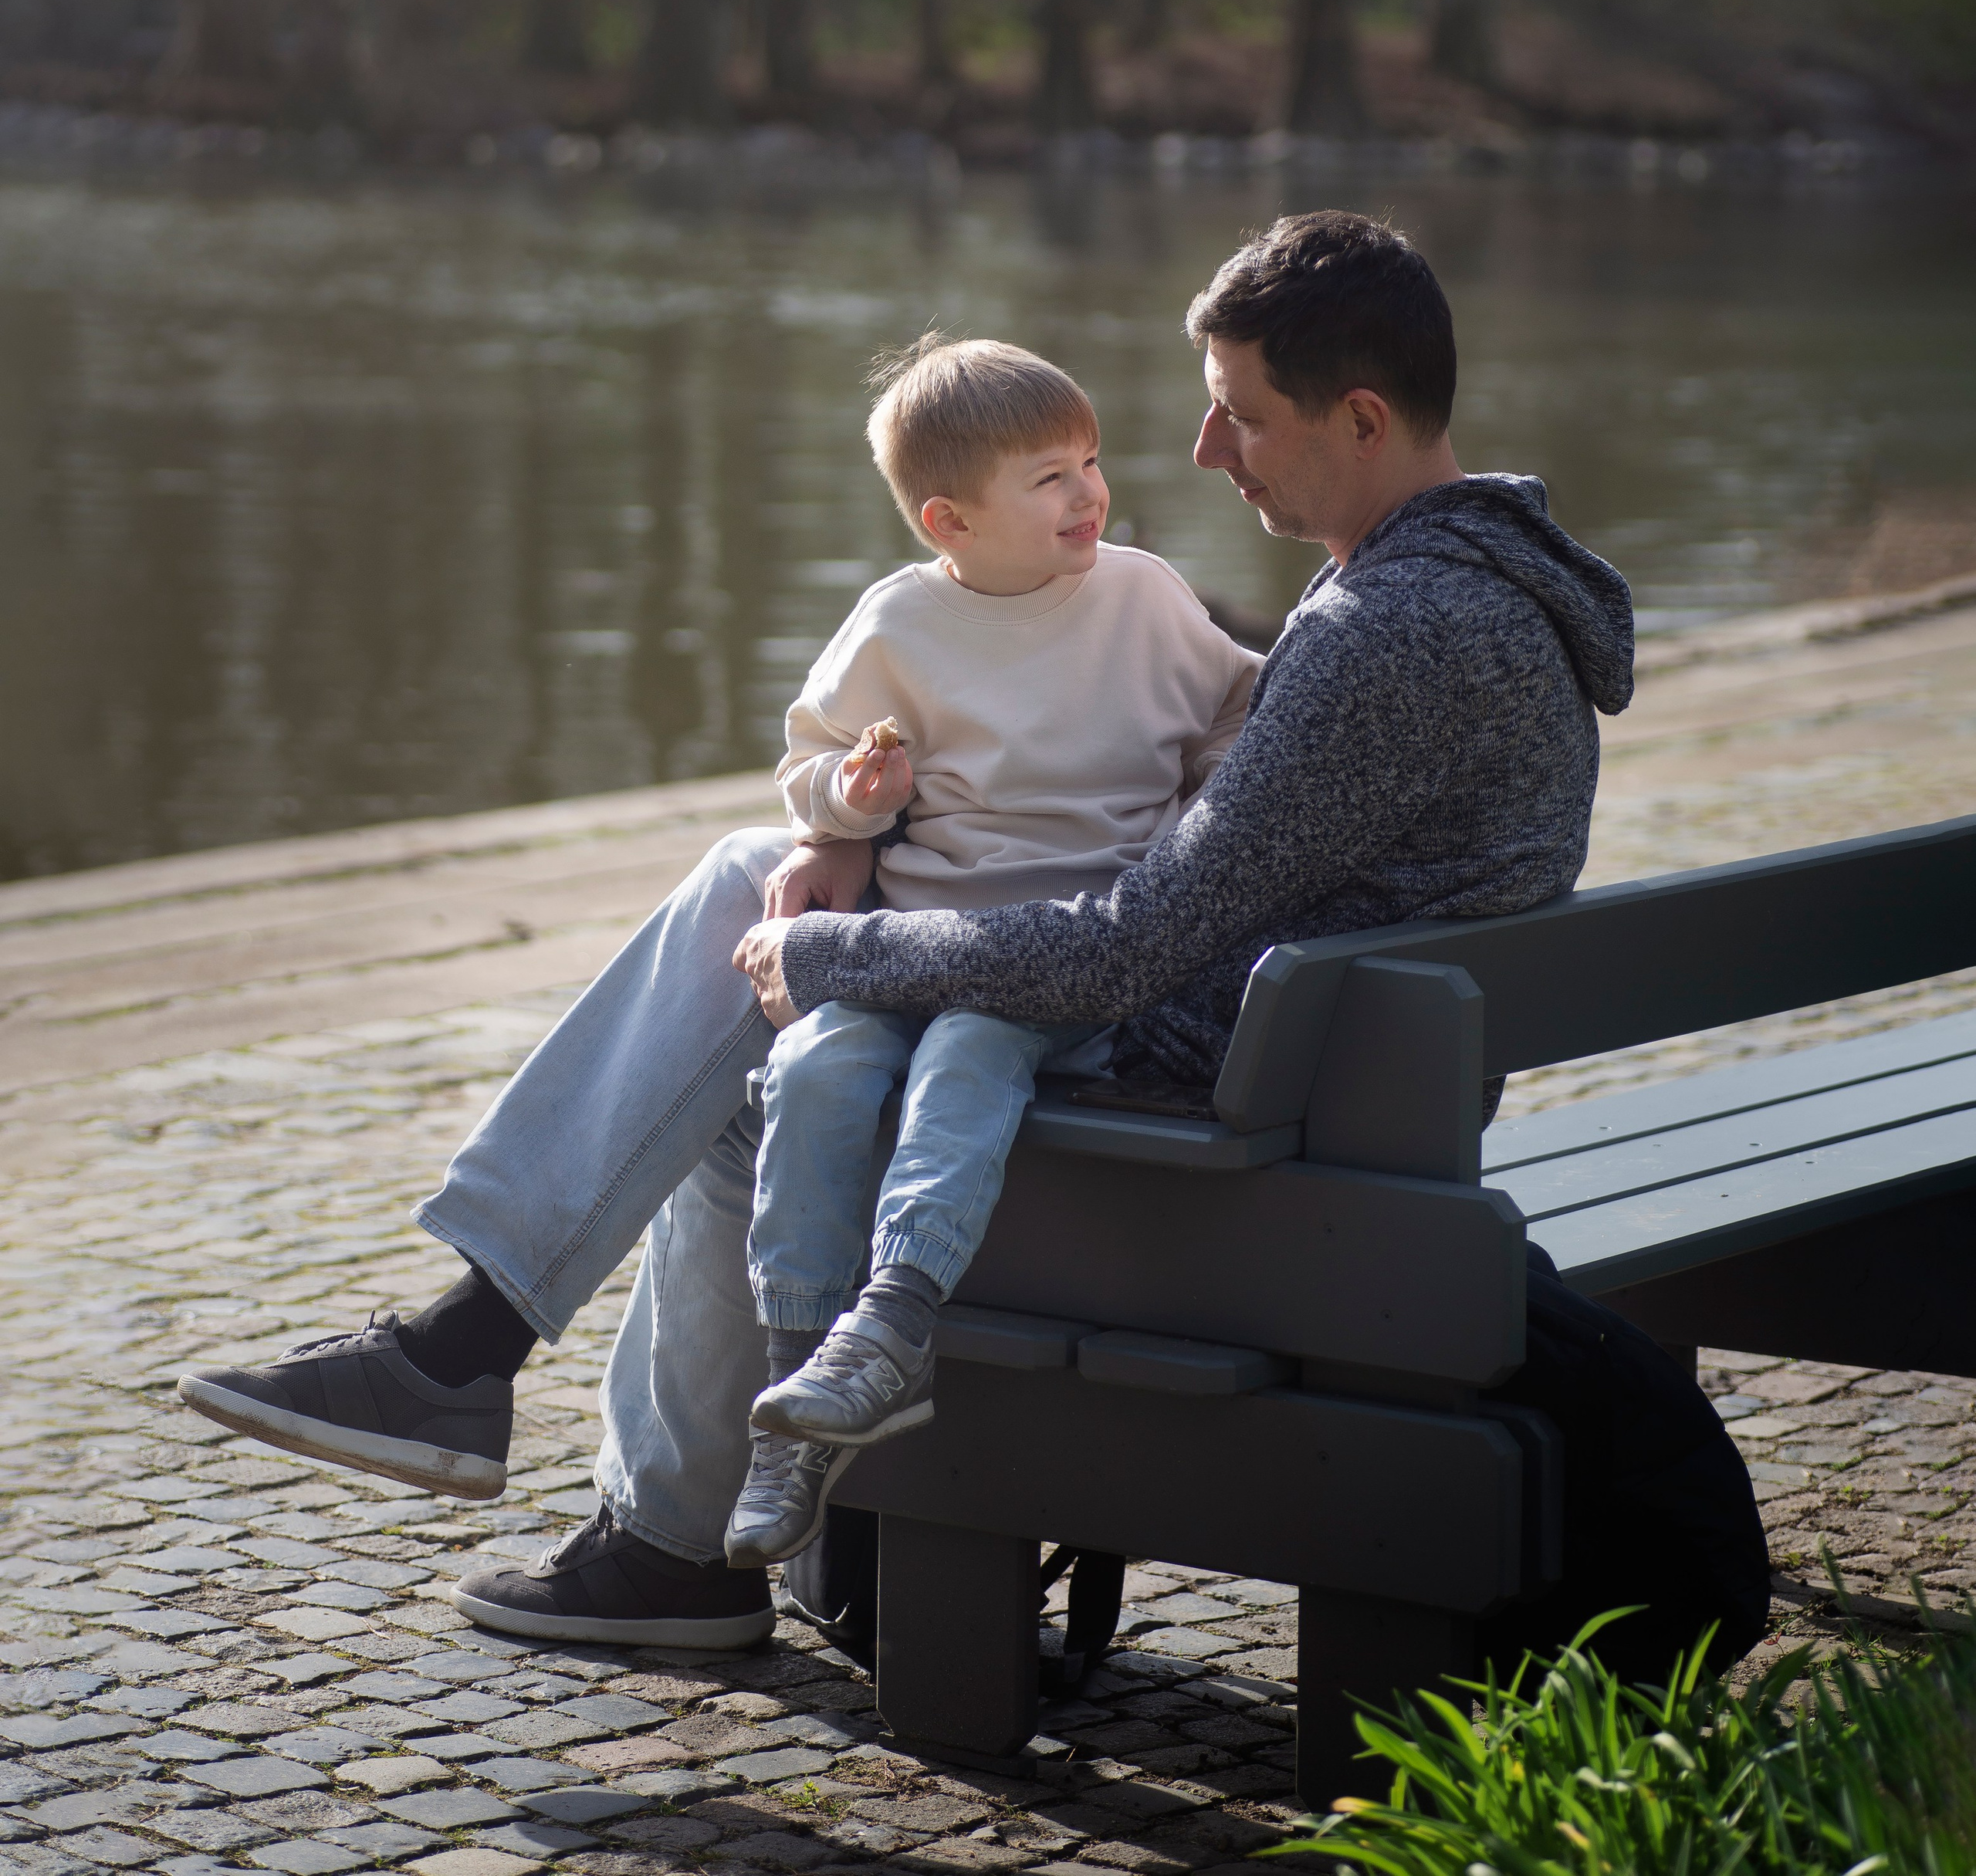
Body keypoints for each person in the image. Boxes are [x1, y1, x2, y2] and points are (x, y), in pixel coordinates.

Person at [176, 210, 1635, 1652]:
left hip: (1235, 1117)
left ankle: (610, 1487)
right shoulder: (1473, 585)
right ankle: (487, 1363)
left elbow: (1125, 947)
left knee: (760, 1054)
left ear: (1361, 417)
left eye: (1238, 417)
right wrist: (843, 837)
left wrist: (831, 951)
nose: (1200, 454)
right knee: (766, 872)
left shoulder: (1386, 633)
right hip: (1328, 1076)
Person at [728, 336, 1260, 1569]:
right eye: (1048, 479)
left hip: (1064, 963)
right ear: (947, 519)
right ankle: (796, 1398)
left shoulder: (1140, 594)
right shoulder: (900, 622)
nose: (1088, 494)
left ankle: (897, 1322)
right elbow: (808, 767)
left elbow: (1245, 702)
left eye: (1089, 462)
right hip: (923, 941)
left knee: (971, 1051)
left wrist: (1202, 822)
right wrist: (858, 795)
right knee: (811, 1070)